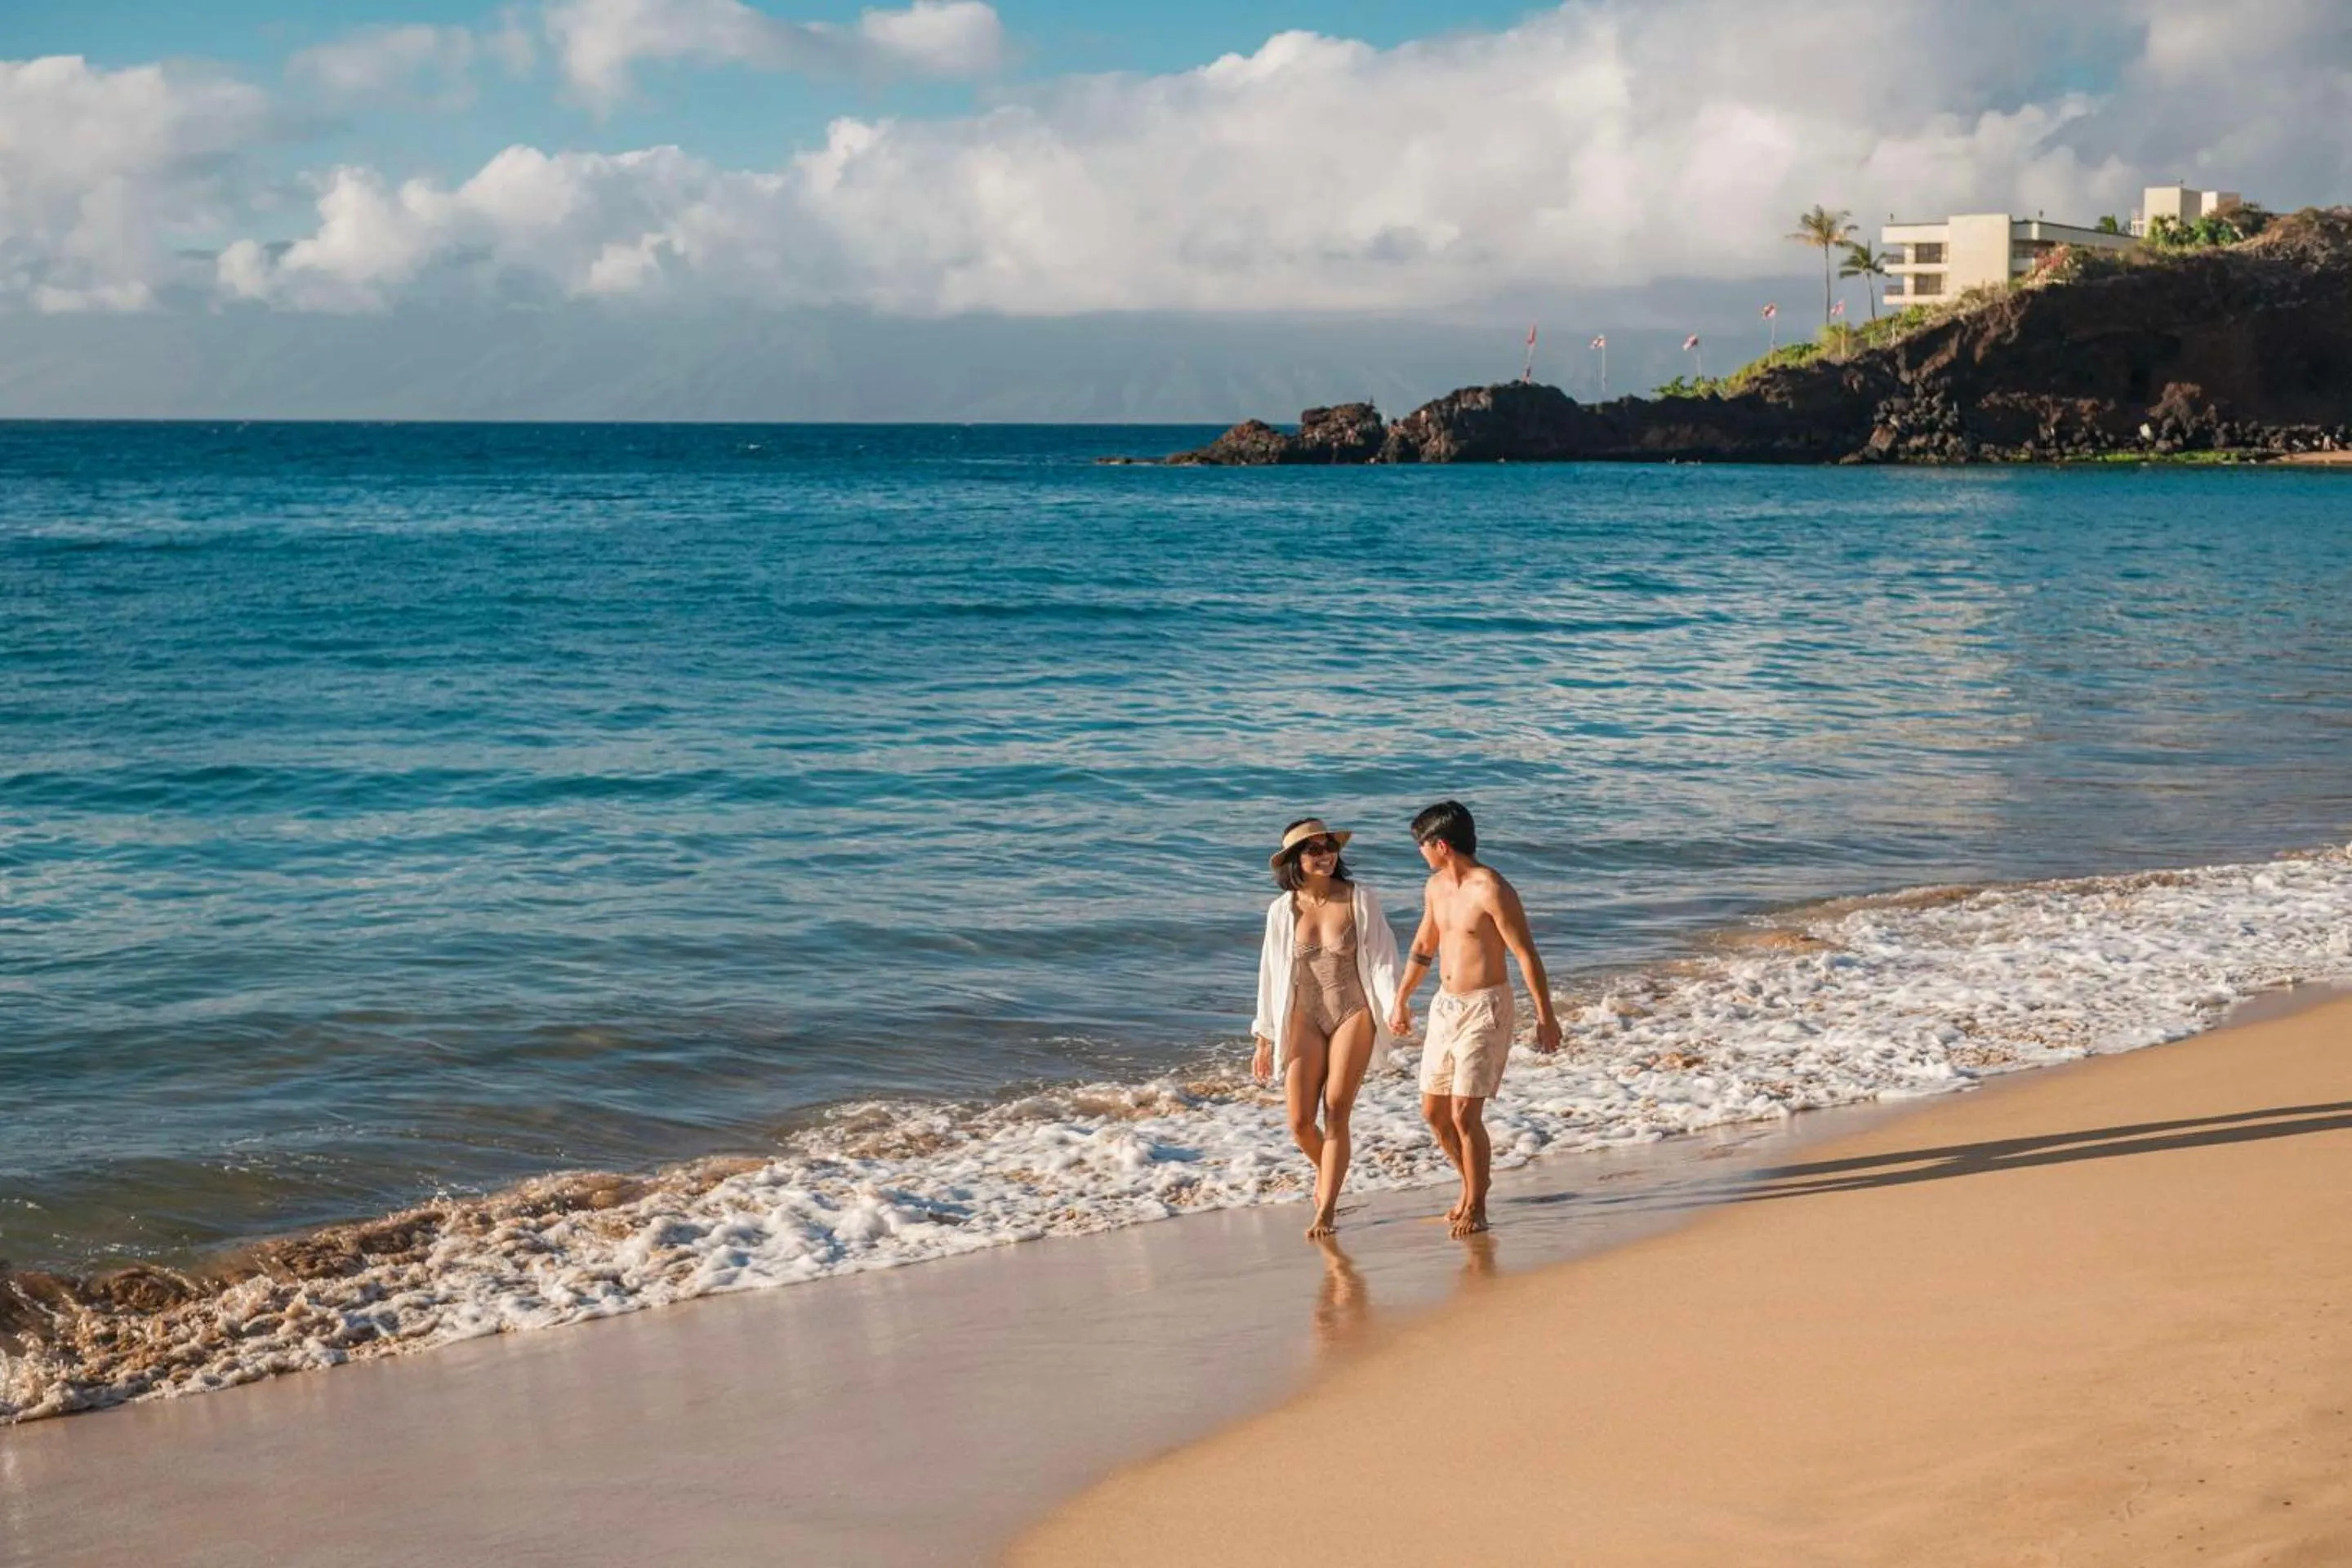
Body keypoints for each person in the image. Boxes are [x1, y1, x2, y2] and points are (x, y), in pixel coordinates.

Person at [1387, 800, 1560, 1237]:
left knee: (1464, 1113)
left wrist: (1546, 1017)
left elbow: (1526, 954)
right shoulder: (1435, 887)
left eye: (1422, 846)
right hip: (1446, 1007)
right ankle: (1470, 1184)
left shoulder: (1492, 889)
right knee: (1434, 1113)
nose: (1421, 853)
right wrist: (1402, 999)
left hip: (1486, 1007)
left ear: (1440, 845)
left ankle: (1477, 1206)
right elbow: (1424, 945)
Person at [1252, 817, 1401, 1239]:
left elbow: (1383, 957)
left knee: (1336, 1109)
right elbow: (1270, 973)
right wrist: (1264, 1036)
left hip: (1353, 1010)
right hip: (1303, 1016)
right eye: (1313, 849)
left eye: (1328, 846)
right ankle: (1331, 1173)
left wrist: (1394, 1008)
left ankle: (1327, 1208)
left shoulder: (1360, 898)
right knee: (1299, 1121)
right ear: (1295, 861)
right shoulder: (1282, 911)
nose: (1324, 855)